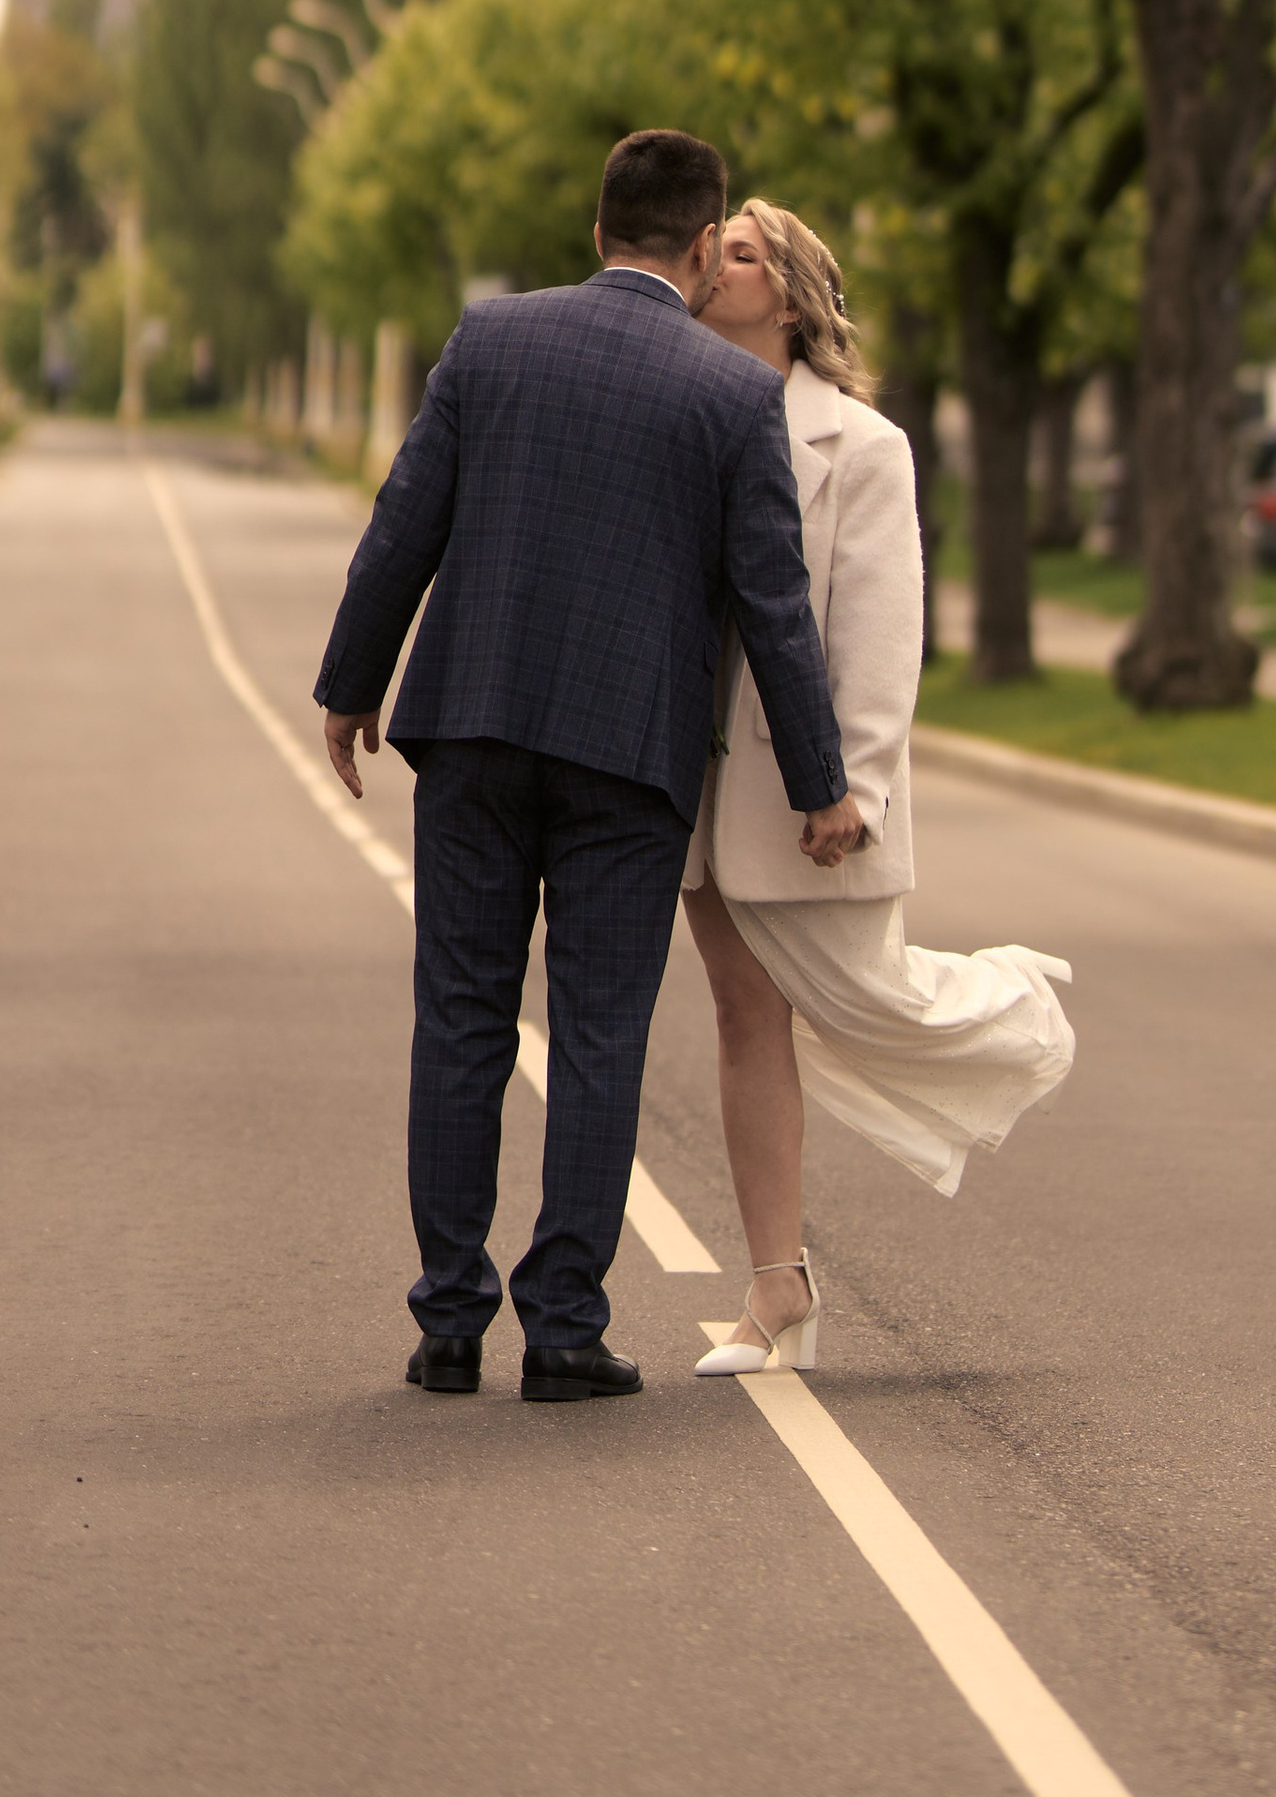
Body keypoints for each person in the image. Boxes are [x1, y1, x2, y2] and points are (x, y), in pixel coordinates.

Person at [313, 130, 864, 1405]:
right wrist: (820, 782)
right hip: (627, 759)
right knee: (599, 1032)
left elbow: (406, 520)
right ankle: (564, 1326)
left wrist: (351, 684)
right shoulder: (731, 398)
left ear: (596, 228)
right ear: (701, 245)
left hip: (473, 731)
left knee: (461, 1015)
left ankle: (449, 1321)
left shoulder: (491, 340)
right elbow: (772, 606)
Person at [681, 200, 1074, 1376]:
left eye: (741, 254)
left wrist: (852, 786)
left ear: (791, 296)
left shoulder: (863, 446)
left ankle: (1011, 1006)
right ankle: (777, 1287)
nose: (715, 264)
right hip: (694, 781)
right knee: (744, 1017)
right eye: (712, 248)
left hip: (806, 791)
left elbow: (881, 632)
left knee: (871, 1004)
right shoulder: (685, 414)